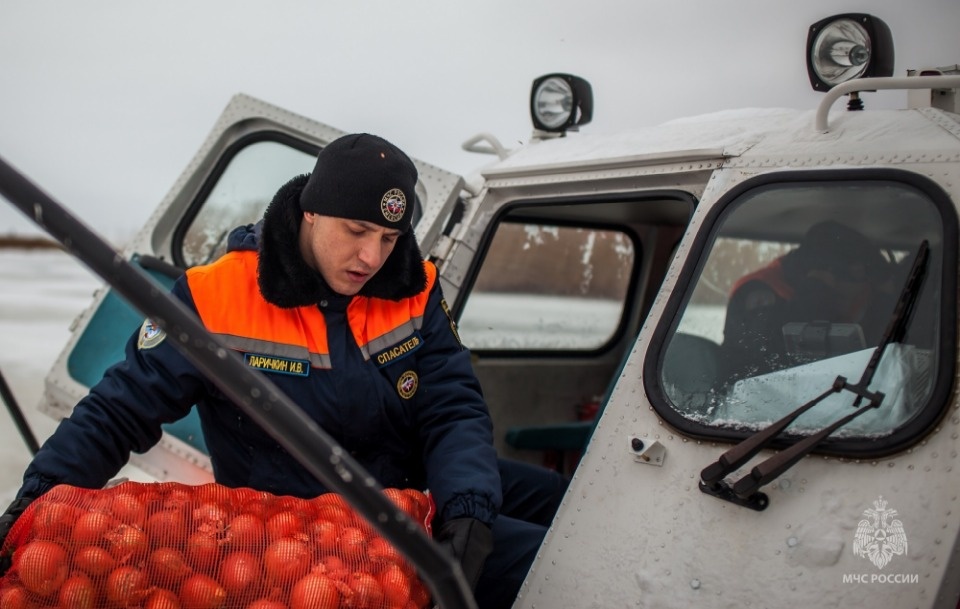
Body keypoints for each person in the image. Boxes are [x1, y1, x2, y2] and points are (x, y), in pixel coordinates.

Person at [0, 133, 566, 609]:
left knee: (566, 504)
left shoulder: (411, 289)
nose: (372, 258)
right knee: (556, 567)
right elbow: (119, 409)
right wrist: (36, 500)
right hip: (305, 526)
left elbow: (452, 406)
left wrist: (465, 509)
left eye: (389, 239)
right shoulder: (214, 296)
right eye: (357, 231)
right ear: (311, 212)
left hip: (412, 483)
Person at [721, 220, 896, 382]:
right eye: (841, 296)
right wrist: (816, 291)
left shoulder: (845, 290)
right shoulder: (758, 290)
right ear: (825, 273)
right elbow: (773, 354)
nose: (850, 301)